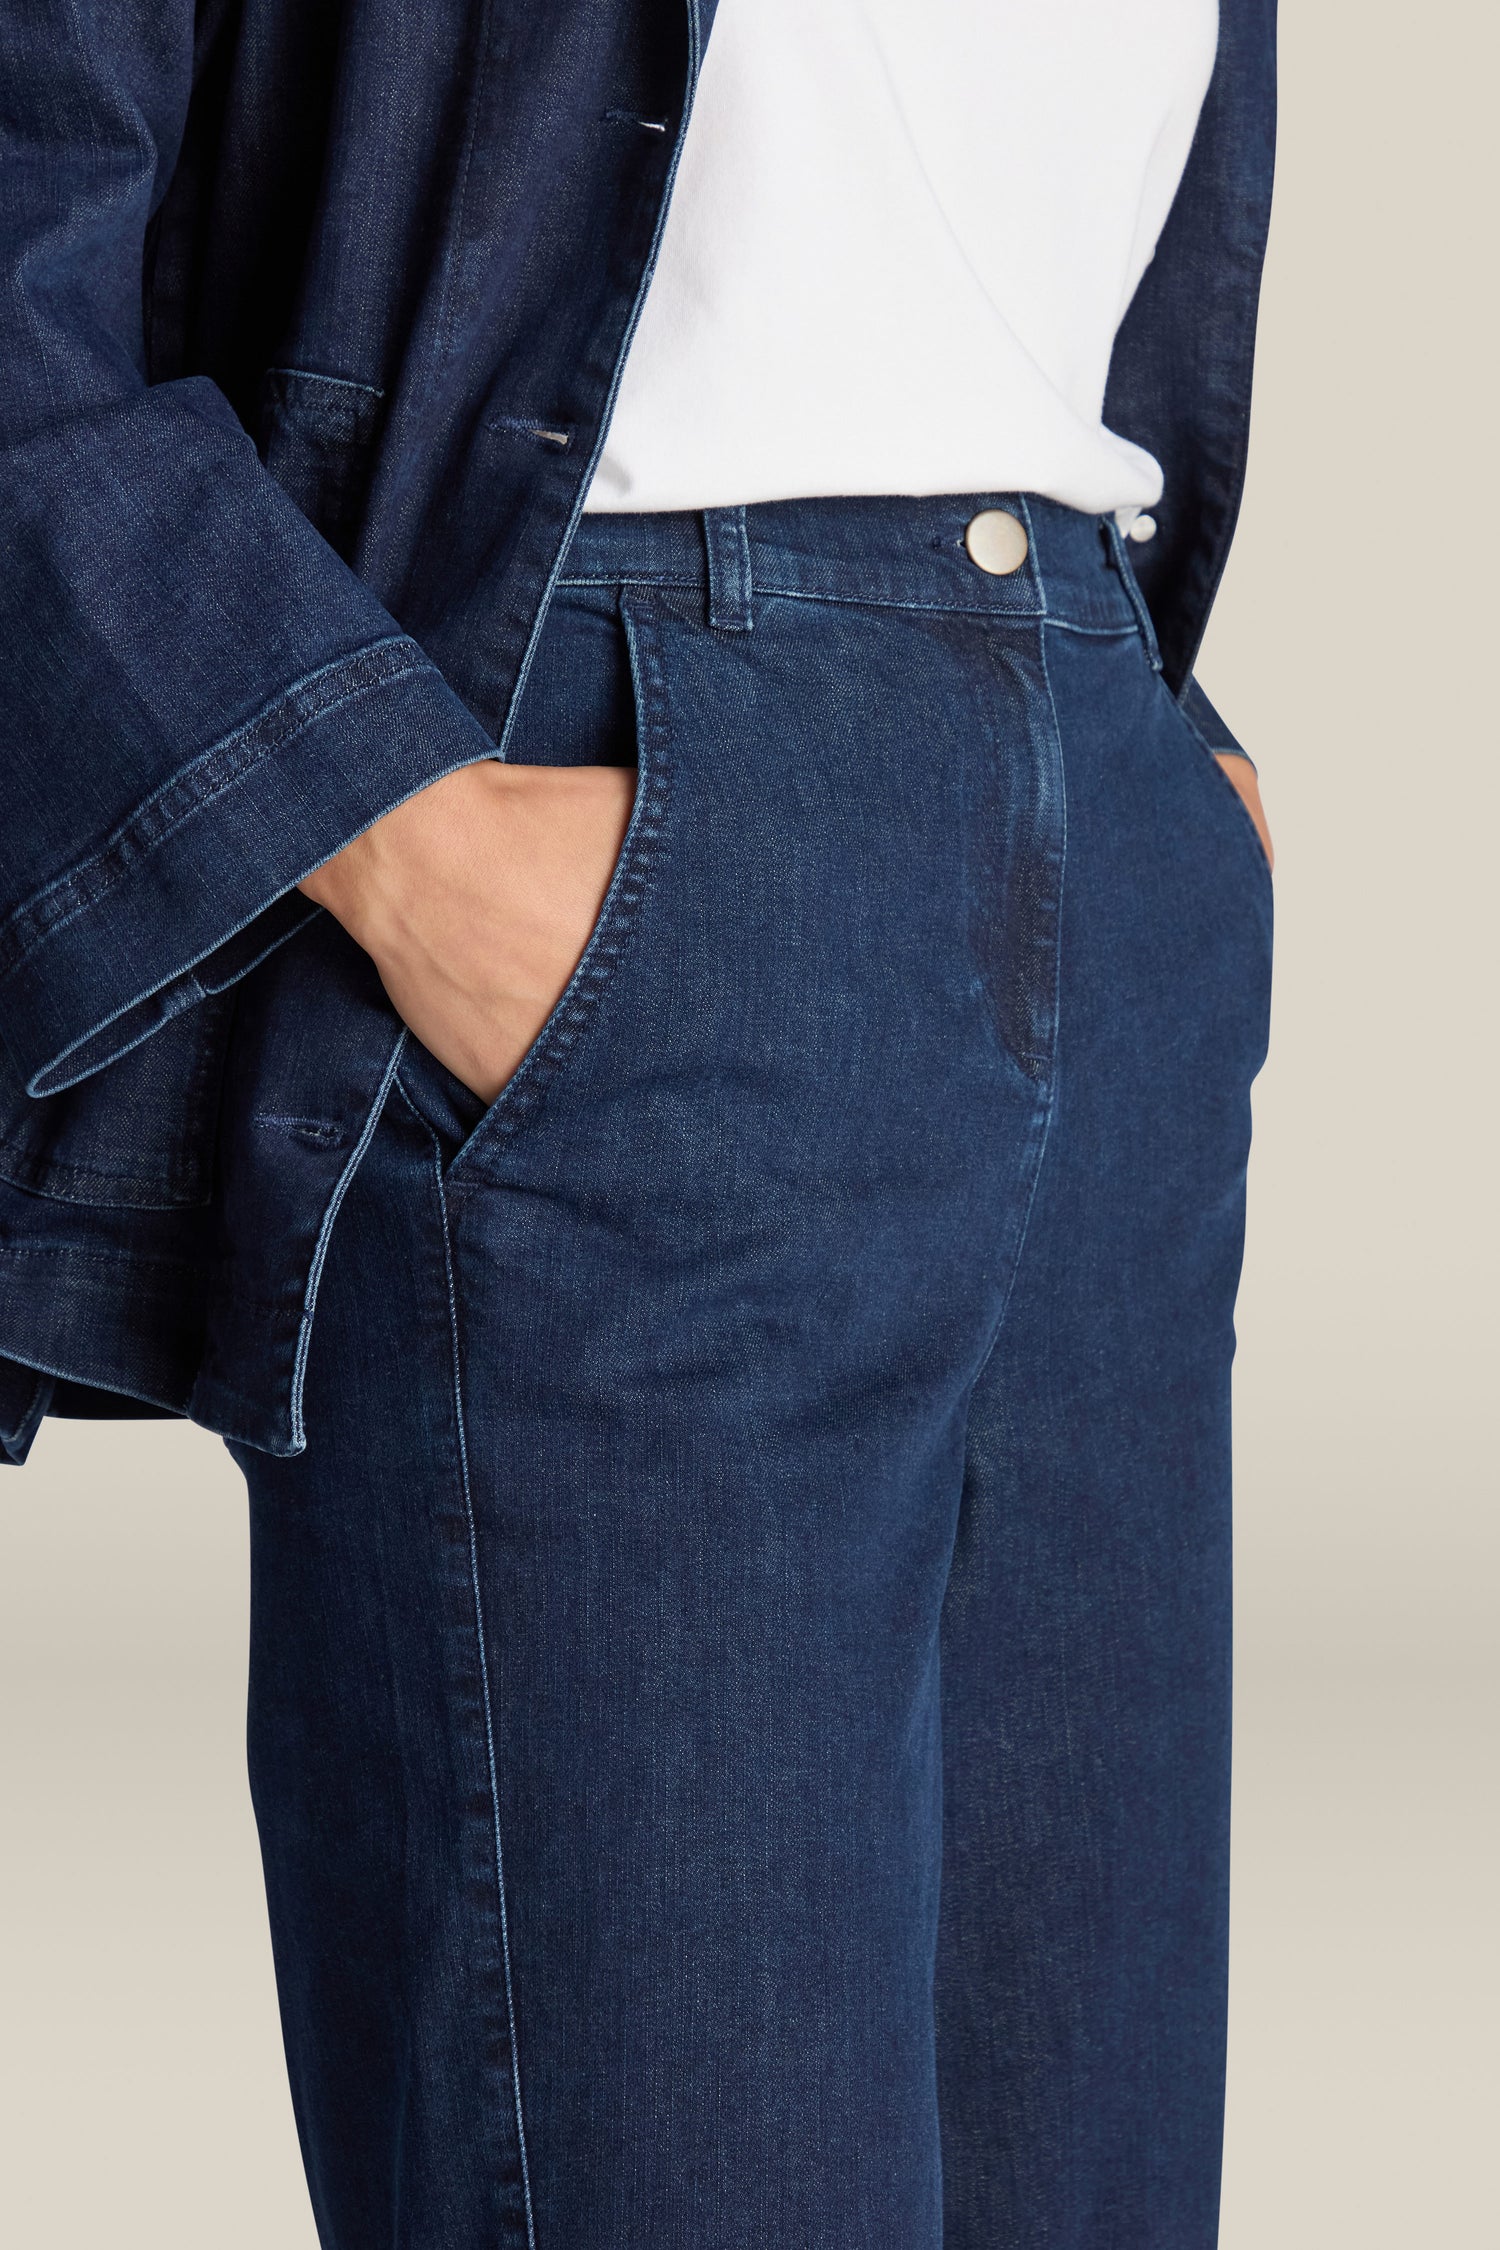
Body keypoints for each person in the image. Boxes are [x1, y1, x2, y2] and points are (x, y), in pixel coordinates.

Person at [0, 1, 1276, 2243]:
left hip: (1086, 771)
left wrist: (1161, 760)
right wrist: (381, 824)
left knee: (1089, 2179)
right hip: (616, 790)